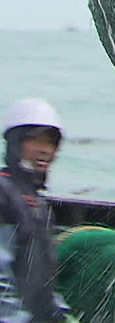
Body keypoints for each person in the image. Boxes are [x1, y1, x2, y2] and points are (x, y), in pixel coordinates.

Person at [0, 98, 71, 322]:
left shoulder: (38, 204)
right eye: (34, 140)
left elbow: (43, 283)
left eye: (50, 143)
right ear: (15, 143)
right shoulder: (3, 192)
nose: (43, 150)